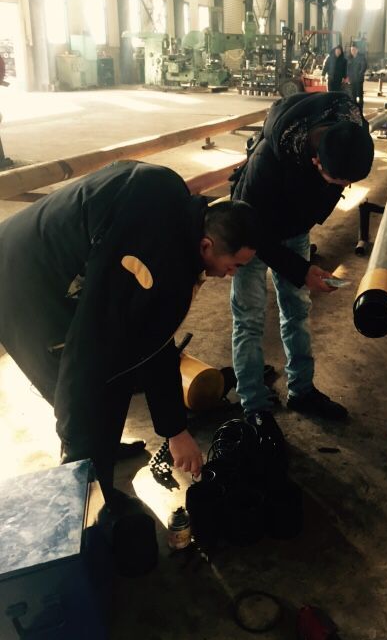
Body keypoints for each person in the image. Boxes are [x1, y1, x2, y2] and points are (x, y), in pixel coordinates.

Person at [0, 160, 258, 503]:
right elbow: (123, 347)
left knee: (116, 371)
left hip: (43, 251)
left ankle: (101, 448)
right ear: (206, 246)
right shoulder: (157, 262)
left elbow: (146, 338)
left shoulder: (177, 205)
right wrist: (176, 432)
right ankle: (84, 489)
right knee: (83, 382)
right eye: (234, 265)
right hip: (21, 280)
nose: (231, 275)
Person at [230, 91, 374, 427]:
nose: (342, 188)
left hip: (293, 227)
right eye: (338, 183)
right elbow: (254, 235)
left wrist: (300, 267)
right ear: (316, 161)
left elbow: (320, 196)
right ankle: (254, 405)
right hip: (251, 230)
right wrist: (300, 269)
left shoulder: (349, 134)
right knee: (249, 317)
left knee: (297, 309)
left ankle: (302, 390)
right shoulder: (267, 163)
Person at [346, 42, 368, 113]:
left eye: (354, 50)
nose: (353, 51)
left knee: (360, 95)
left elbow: (364, 66)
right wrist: (347, 76)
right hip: (352, 80)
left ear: (357, 50)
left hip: (359, 79)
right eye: (352, 50)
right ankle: (355, 110)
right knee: (353, 95)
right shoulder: (349, 57)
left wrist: (360, 74)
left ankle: (360, 110)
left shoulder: (361, 57)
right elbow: (347, 68)